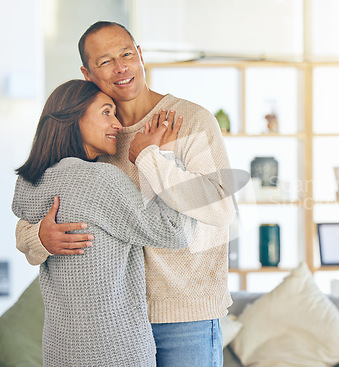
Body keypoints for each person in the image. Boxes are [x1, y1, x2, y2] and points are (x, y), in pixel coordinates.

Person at [16, 21, 237, 366]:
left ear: (140, 56)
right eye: (105, 62)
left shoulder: (191, 121)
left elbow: (221, 209)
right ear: (87, 73)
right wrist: (38, 238)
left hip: (185, 318)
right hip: (118, 322)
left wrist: (149, 157)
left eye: (126, 54)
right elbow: (43, 200)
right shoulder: (94, 131)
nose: (121, 68)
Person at [12, 79, 196, 366]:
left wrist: (34, 237)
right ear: (73, 117)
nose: (118, 125)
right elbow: (176, 231)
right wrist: (163, 158)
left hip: (59, 349)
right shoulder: (99, 181)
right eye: (107, 112)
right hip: (114, 349)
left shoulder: (29, 183)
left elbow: (23, 230)